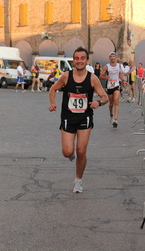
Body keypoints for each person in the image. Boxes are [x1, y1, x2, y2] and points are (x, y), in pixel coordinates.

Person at [48, 47, 108, 193]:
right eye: (77, 58)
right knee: (68, 152)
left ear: (87, 61)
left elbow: (105, 97)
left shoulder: (92, 78)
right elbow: (52, 89)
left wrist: (98, 103)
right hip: (68, 117)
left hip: (85, 117)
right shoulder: (66, 76)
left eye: (82, 58)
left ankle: (78, 181)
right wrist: (52, 103)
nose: (79, 61)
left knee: (81, 151)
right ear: (73, 60)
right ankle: (72, 156)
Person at [100, 52, 126, 128]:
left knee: (116, 102)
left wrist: (123, 81)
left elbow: (120, 75)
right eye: (111, 56)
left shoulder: (119, 66)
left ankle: (115, 119)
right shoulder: (106, 67)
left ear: (116, 58)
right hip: (109, 86)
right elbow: (100, 76)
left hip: (116, 85)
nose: (112, 58)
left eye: (114, 56)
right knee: (111, 104)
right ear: (109, 58)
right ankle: (111, 115)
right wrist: (105, 77)